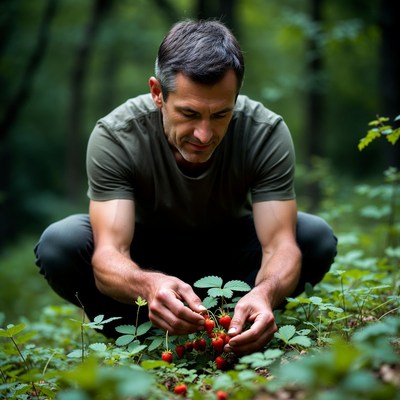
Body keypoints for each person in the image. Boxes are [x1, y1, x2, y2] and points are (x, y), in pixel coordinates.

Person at [34, 19, 337, 355]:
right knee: (62, 242)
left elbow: (279, 244)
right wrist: (149, 286)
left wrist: (265, 292)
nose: (204, 135)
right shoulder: (117, 136)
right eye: (189, 113)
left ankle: (242, 328)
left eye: (221, 114)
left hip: (230, 255)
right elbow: (109, 256)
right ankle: (143, 341)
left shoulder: (264, 132)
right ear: (157, 93)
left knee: (313, 236)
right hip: (146, 255)